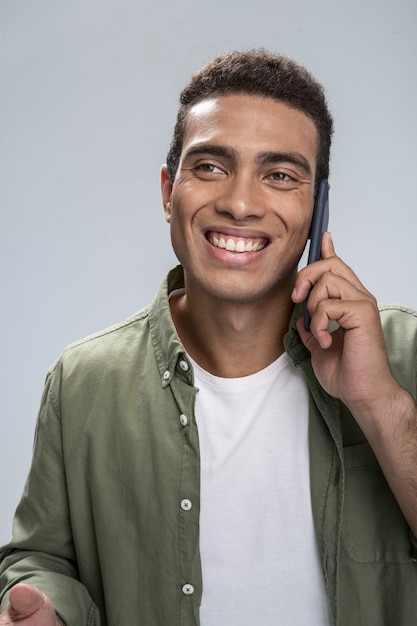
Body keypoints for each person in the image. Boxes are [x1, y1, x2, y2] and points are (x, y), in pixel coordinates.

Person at [0, 48, 416, 626]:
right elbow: (41, 559)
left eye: (279, 175)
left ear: (318, 205)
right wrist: (46, 607)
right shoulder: (81, 382)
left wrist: (383, 406)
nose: (240, 203)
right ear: (169, 190)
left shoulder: (404, 354)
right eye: (211, 167)